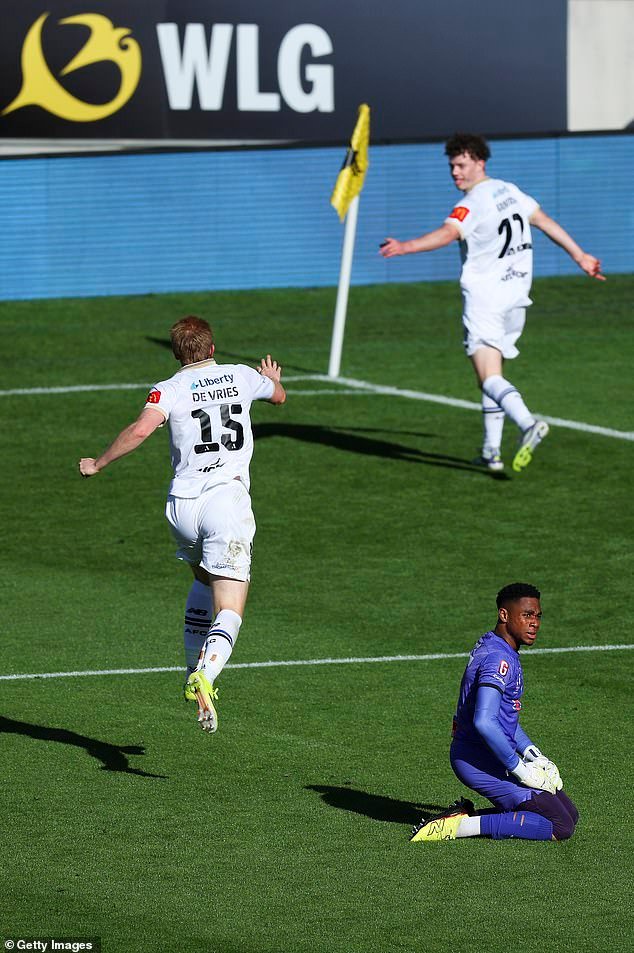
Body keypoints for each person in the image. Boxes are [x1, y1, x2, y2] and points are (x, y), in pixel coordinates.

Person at [79, 315, 286, 733]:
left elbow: (141, 430)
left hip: (182, 507)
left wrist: (98, 463)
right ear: (212, 349)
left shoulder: (168, 388)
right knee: (230, 607)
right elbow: (278, 397)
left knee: (203, 579)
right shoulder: (241, 375)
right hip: (225, 504)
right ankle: (205, 674)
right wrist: (271, 379)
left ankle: (194, 665)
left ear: (177, 354)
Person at [380, 132, 605, 473]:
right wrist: (580, 255)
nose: (455, 172)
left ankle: (528, 424)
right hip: (516, 297)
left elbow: (449, 232)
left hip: (486, 300)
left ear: (480, 162)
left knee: (488, 377)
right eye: (452, 166)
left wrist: (405, 247)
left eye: (461, 165)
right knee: (494, 374)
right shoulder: (509, 190)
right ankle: (491, 452)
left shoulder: (472, 203)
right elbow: (543, 221)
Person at [410, 582, 579, 842]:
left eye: (537, 616)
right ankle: (454, 828)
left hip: (492, 754)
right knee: (560, 826)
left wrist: (535, 756)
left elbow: (503, 718)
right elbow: (485, 722)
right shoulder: (498, 659)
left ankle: (463, 816)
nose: (534, 623)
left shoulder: (499, 648)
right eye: (526, 615)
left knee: (570, 814)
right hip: (478, 759)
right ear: (504, 615)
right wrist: (521, 769)